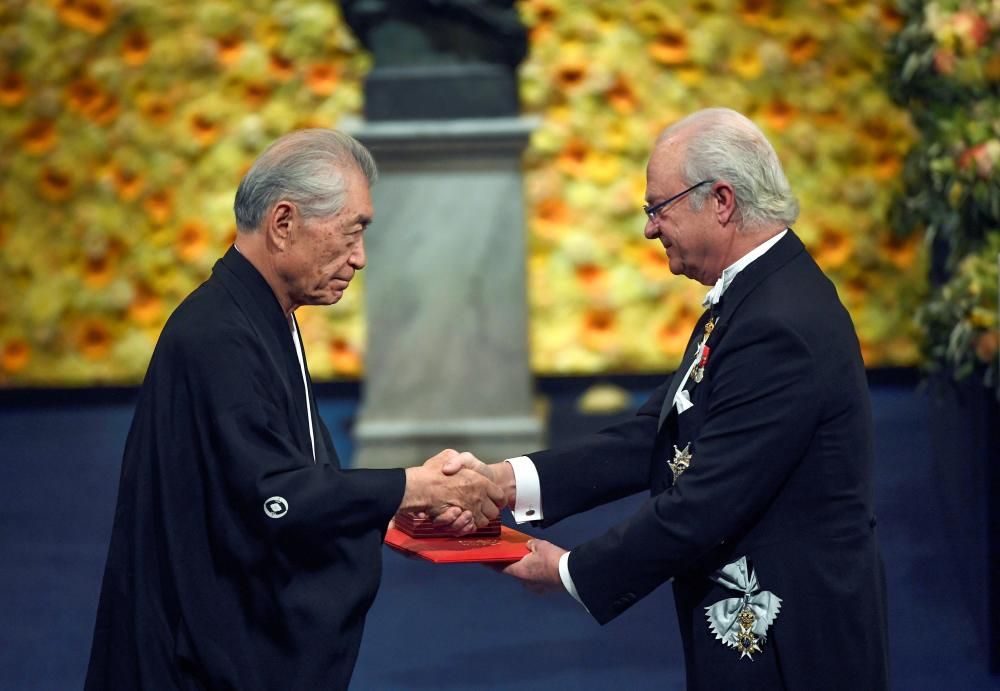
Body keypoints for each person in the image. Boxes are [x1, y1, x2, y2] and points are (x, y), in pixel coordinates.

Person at [446, 107, 890, 690]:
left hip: (795, 644)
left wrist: (572, 570)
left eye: (658, 208)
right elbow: (655, 433)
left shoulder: (778, 321)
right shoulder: (757, 294)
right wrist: (505, 481)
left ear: (722, 201)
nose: (650, 229)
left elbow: (708, 501)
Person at [85, 129, 505, 691]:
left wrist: (390, 509)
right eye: (352, 231)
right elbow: (273, 498)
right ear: (283, 224)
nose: (359, 257)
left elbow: (288, 480)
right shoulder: (219, 335)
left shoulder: (262, 314)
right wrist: (410, 487)